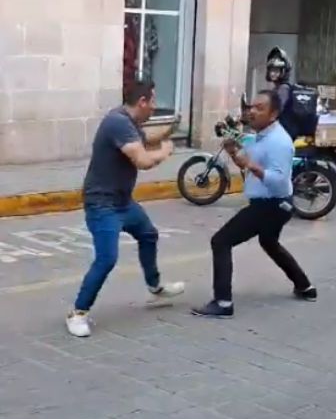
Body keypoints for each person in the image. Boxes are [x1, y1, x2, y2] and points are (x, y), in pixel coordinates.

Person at [68, 81, 185, 338]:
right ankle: (78, 313)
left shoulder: (129, 124)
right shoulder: (118, 122)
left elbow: (144, 140)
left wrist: (168, 131)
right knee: (107, 258)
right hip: (102, 204)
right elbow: (142, 160)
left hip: (123, 202)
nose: (154, 107)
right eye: (152, 102)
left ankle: (155, 287)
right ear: (142, 101)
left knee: (148, 234)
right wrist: (164, 152)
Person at [192, 90, 316, 318]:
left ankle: (223, 303)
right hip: (272, 205)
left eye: (259, 108)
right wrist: (233, 152)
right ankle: (305, 286)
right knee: (269, 242)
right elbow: (248, 165)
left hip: (272, 205)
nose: (252, 111)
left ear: (273, 114)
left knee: (221, 241)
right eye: (251, 107)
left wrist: (251, 165)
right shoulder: (259, 137)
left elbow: (278, 182)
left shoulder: (279, 142)